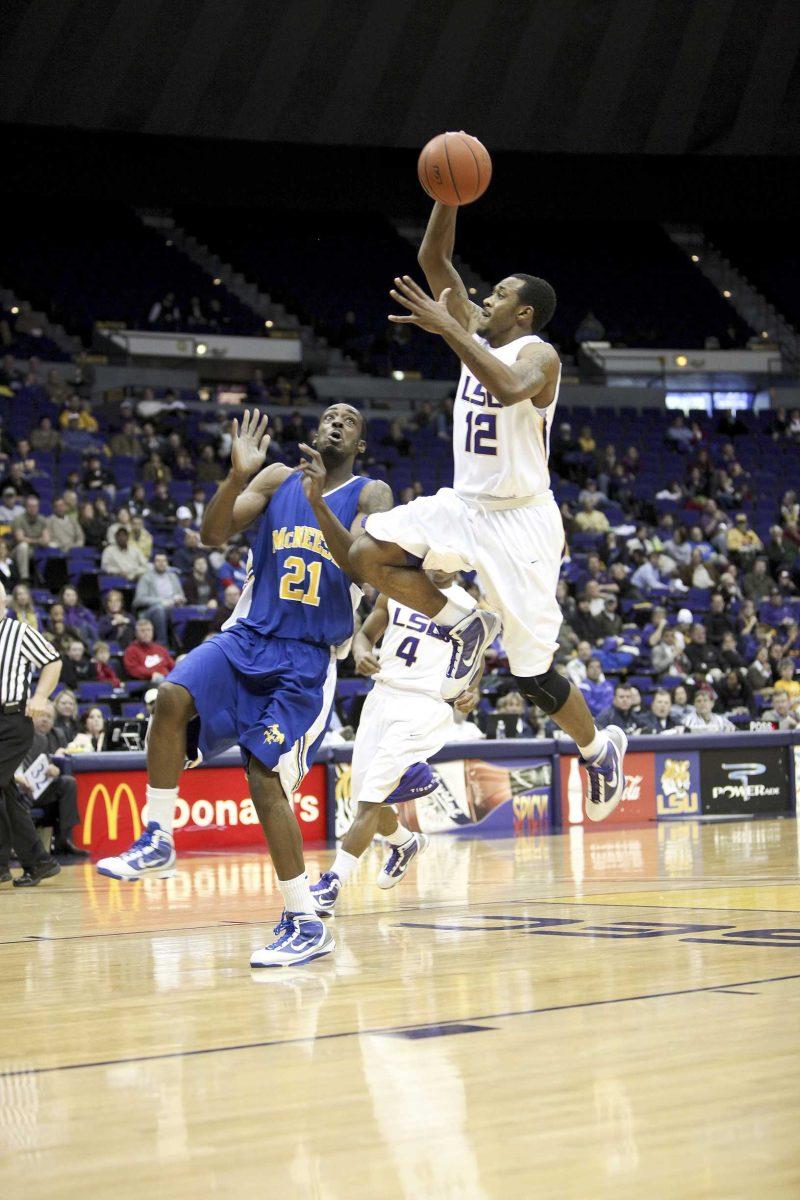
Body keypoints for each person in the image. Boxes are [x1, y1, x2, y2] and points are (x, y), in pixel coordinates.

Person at [347, 202, 627, 823]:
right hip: (463, 505)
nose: (485, 298)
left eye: (497, 294)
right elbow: (432, 259)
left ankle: (597, 748)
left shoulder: (540, 353)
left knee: (533, 676)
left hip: (522, 521)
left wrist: (451, 328)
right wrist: (449, 195)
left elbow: (507, 388)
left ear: (521, 312)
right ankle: (464, 623)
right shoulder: (475, 327)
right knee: (364, 552)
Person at [97, 406, 392, 968]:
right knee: (171, 697)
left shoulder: (372, 493)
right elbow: (212, 535)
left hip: (306, 657)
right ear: (314, 431)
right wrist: (236, 477)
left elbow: (362, 567)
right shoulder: (277, 476)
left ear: (359, 441)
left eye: (349, 420)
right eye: (329, 415)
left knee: (262, 776)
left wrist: (317, 504)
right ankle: (158, 836)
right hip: (249, 633)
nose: (336, 422)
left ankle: (303, 919)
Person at [310, 572, 478, 915]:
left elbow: (475, 661)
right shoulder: (397, 587)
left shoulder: (467, 607)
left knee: (370, 798)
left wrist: (471, 689)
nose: (439, 567)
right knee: (366, 799)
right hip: (382, 697)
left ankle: (332, 882)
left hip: (425, 704)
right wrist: (361, 652)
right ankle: (404, 842)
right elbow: (367, 634)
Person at [0, 582, 63, 886]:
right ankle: (37, 862)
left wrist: (39, 697)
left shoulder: (18, 632)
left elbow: (52, 660)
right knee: (6, 792)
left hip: (11, 721)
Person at [14, 699, 87, 857]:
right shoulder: (17, 733)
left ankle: (64, 839)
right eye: (42, 715)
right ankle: (16, 846)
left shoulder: (44, 738)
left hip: (37, 790)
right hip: (16, 789)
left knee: (68, 782)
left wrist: (54, 770)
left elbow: (45, 764)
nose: (45, 719)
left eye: (49, 716)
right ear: (31, 715)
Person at [133, 553, 186, 645]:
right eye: (158, 561)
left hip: (172, 607)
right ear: (154, 563)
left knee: (185, 611)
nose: (161, 563)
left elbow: (181, 596)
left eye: (164, 561)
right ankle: (162, 644)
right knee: (159, 609)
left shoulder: (173, 576)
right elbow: (139, 600)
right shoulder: (146, 577)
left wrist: (179, 599)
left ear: (167, 563)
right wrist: (161, 601)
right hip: (150, 611)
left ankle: (182, 644)